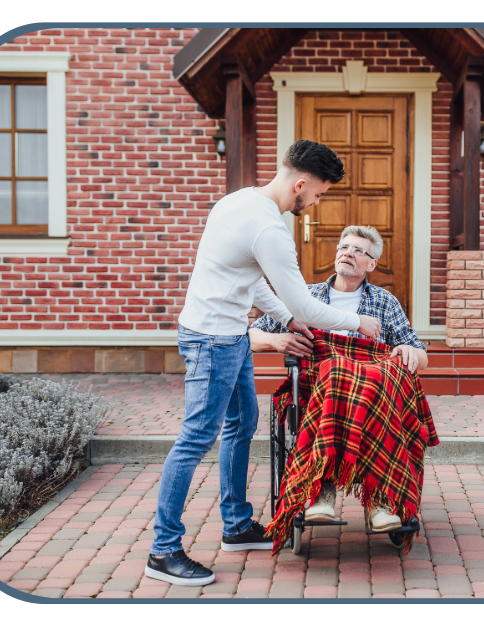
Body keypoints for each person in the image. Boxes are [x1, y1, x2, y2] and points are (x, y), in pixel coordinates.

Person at [145, 140, 382, 587]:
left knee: (242, 423)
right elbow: (308, 306)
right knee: (196, 439)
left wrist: (288, 318)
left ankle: (236, 525)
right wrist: (357, 321)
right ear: (300, 183)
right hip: (212, 341)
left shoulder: (236, 202)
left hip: (229, 334)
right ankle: (164, 550)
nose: (315, 203)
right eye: (319, 194)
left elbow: (249, 282)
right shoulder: (270, 230)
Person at [249, 224, 427, 532]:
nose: (348, 253)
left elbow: (419, 352)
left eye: (358, 250)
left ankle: (379, 500)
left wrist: (409, 352)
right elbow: (249, 335)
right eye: (344, 247)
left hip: (372, 394)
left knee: (379, 373)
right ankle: (323, 490)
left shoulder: (385, 302)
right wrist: (277, 341)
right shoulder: (304, 296)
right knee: (334, 371)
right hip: (320, 387)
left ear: (372, 264)